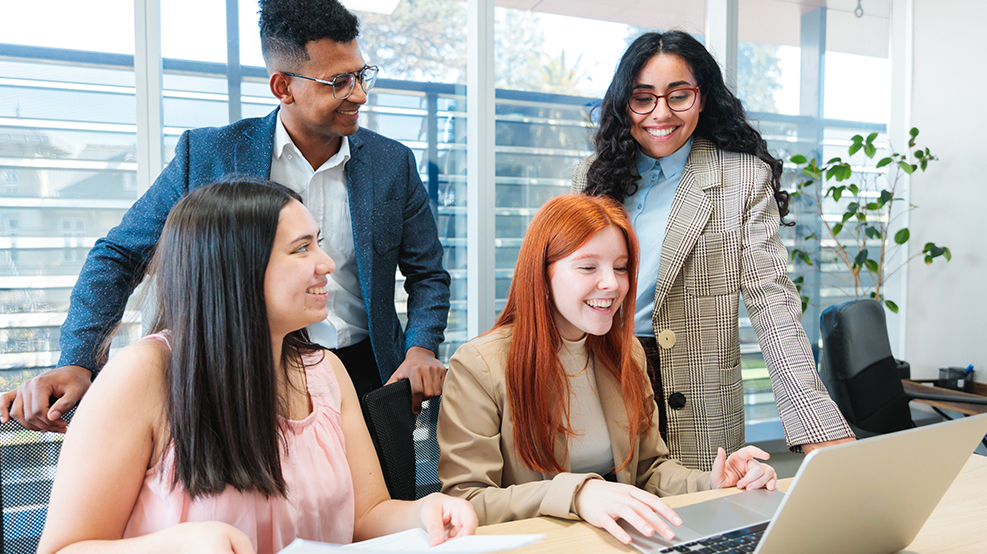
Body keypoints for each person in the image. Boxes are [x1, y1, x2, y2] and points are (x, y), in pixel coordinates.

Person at [0, 0, 449, 431]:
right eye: (338, 82)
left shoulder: (393, 163)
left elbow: (427, 274)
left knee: (378, 508)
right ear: (282, 86)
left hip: (367, 376)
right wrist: (77, 360)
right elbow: (118, 255)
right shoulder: (209, 156)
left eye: (361, 75)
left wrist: (421, 347)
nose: (360, 95)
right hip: (240, 378)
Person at [35, 181, 476, 554]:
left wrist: (425, 512)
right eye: (302, 249)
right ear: (237, 267)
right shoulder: (143, 374)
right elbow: (64, 549)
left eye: (318, 243)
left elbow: (367, 516)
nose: (326, 264)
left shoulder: (325, 371)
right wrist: (177, 544)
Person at [572, 30, 854, 472]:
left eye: (678, 95)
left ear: (702, 97)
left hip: (696, 393)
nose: (659, 113)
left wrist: (818, 426)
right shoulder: (592, 177)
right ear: (624, 104)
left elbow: (772, 302)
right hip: (599, 376)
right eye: (642, 98)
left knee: (699, 526)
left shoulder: (742, 177)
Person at [437, 195, 776, 545]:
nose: (612, 284)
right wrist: (579, 494)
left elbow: (648, 471)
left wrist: (713, 483)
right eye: (588, 267)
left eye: (620, 267)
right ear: (542, 274)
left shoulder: (625, 353)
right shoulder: (478, 366)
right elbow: (467, 500)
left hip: (618, 540)